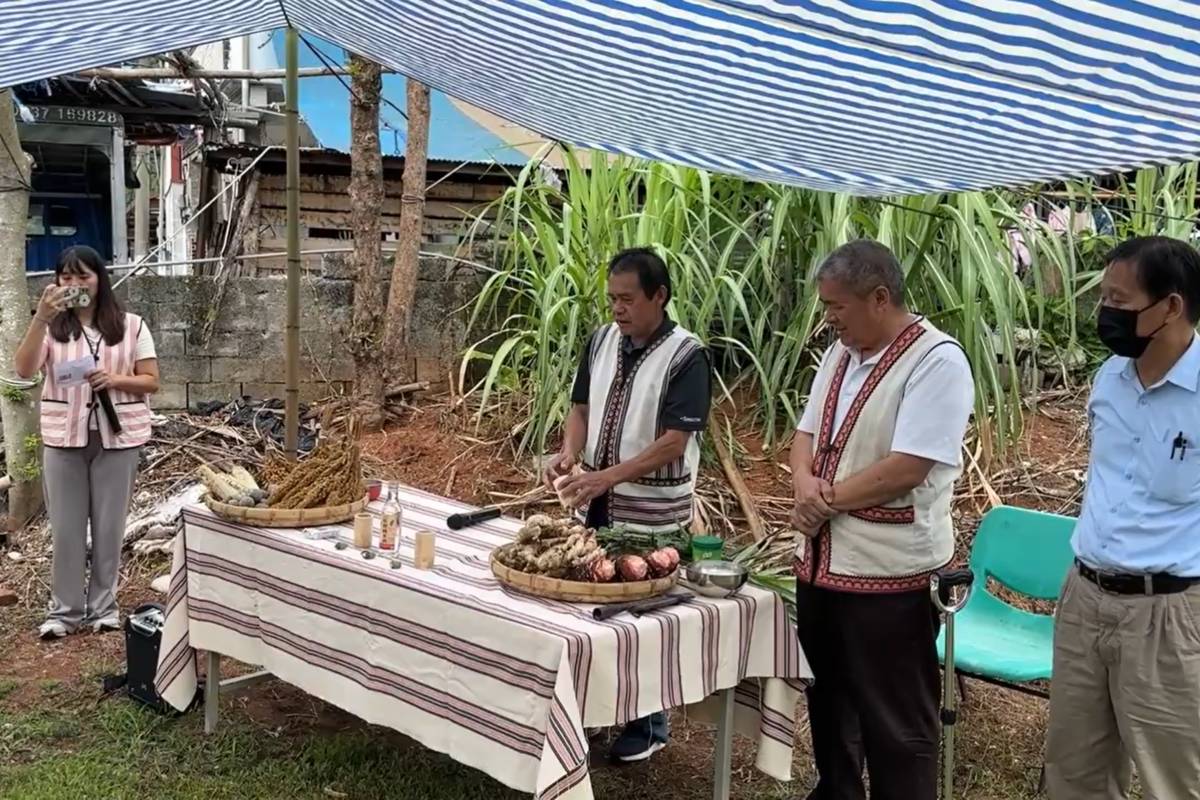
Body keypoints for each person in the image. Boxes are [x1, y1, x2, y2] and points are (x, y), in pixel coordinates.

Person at [789, 240, 973, 800]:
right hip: (822, 567)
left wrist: (827, 498)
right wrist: (802, 483)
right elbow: (804, 436)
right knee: (830, 701)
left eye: (836, 307)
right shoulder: (837, 357)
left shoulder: (937, 360)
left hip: (892, 576)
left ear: (879, 297)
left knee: (895, 719)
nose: (829, 319)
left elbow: (908, 467)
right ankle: (838, 791)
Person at [1045, 237, 1200, 800]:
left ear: (1172, 307)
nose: (1105, 313)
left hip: (1168, 614)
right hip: (1085, 599)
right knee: (1075, 770)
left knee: (1174, 778)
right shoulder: (1111, 376)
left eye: (1119, 299)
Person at [545, 247, 710, 762]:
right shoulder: (600, 341)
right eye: (612, 298)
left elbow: (672, 443)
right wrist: (570, 452)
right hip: (596, 495)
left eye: (627, 299)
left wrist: (603, 478)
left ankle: (650, 724)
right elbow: (580, 407)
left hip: (652, 507)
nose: (617, 309)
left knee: (642, 612)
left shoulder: (687, 355)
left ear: (659, 296)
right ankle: (593, 711)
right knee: (592, 600)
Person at [14, 246, 159, 640]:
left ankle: (104, 609)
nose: (75, 285)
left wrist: (114, 379)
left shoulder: (131, 326)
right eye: (67, 278)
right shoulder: (50, 328)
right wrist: (42, 316)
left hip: (118, 437)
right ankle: (63, 613)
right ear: (57, 282)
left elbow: (151, 380)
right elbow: (24, 368)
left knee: (110, 527)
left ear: (100, 279)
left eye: (84, 277)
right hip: (64, 438)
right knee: (66, 528)